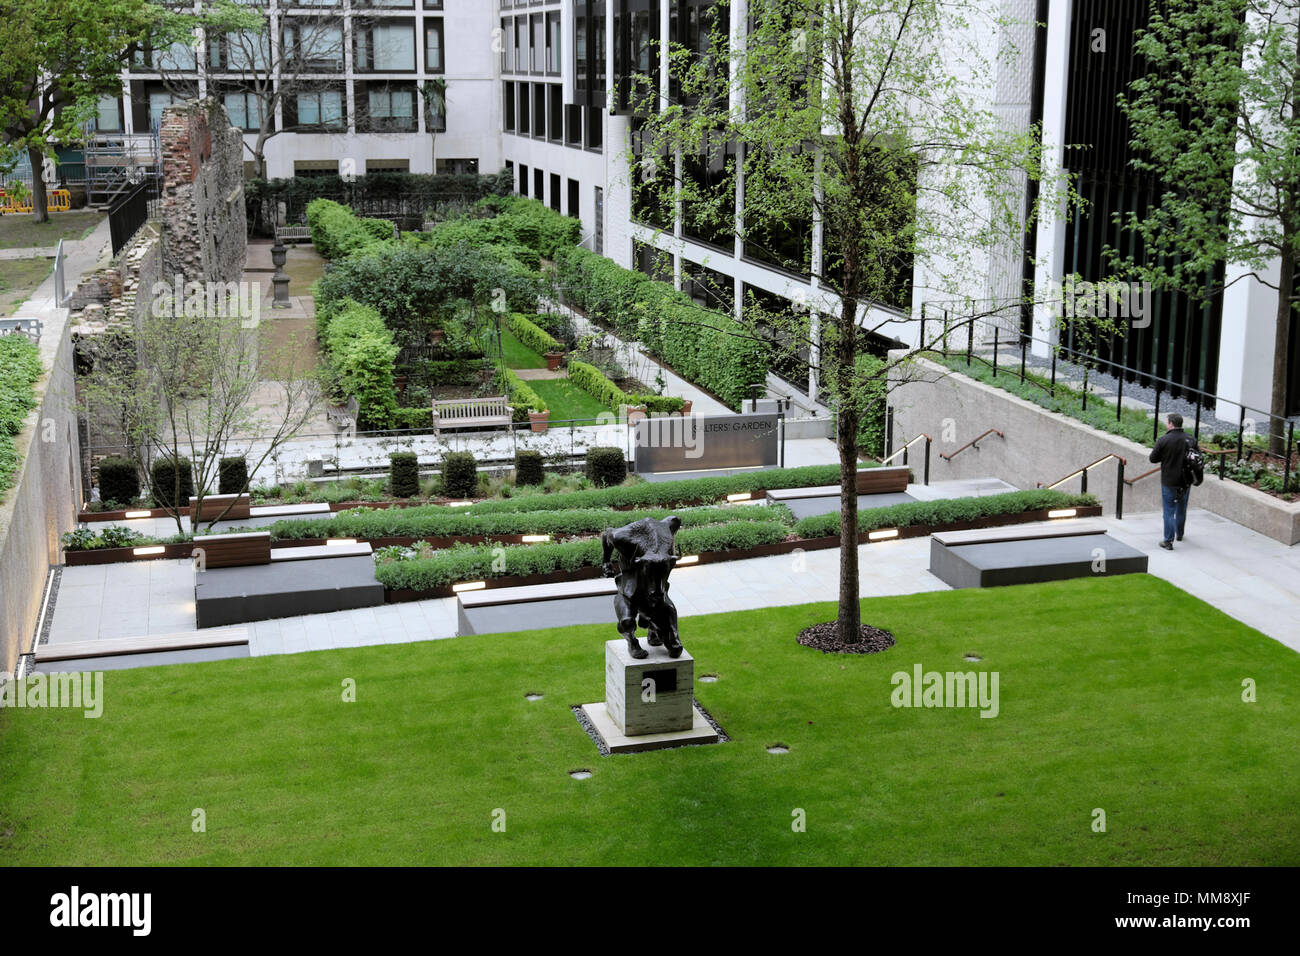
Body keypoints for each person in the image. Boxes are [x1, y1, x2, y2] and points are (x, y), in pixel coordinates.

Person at [1149, 412, 1194, 550]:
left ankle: (1168, 540)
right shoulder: (1190, 439)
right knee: (1182, 507)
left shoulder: (1164, 440)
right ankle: (1179, 534)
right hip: (1185, 480)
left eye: (1167, 422)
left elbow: (1153, 458)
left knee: (1169, 511)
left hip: (1169, 480)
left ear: (1171, 424)